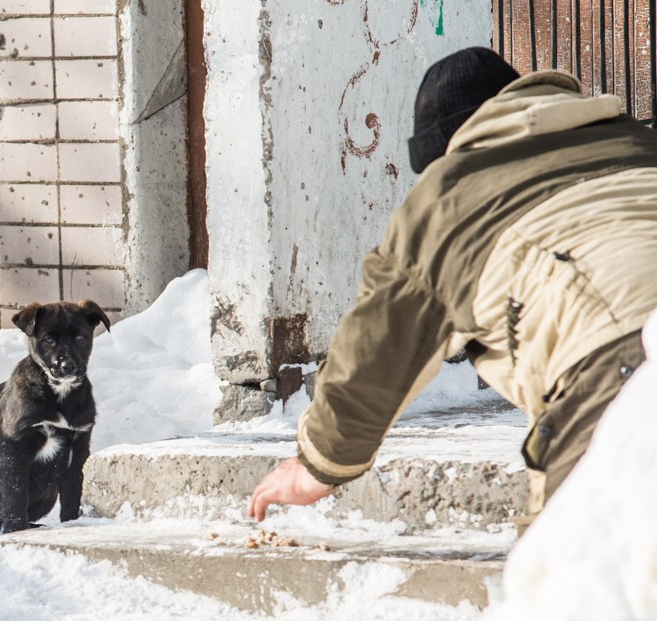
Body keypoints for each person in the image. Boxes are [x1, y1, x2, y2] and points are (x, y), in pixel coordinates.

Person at [249, 46, 657, 525]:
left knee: (574, 585)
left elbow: (378, 345)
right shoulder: (638, 145)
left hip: (622, 370)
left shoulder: (449, 196)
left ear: (447, 148)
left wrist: (318, 464)